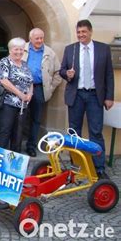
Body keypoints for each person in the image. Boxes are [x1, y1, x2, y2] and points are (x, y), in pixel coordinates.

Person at [60, 19, 114, 180]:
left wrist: (109, 97)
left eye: (83, 32)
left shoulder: (103, 49)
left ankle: (99, 168)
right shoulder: (70, 49)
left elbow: (109, 75)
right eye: (78, 32)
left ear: (90, 32)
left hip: (94, 95)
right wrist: (66, 74)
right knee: (74, 132)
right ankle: (75, 167)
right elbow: (62, 70)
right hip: (76, 95)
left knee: (96, 132)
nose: (80, 35)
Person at [22, 28, 62, 157]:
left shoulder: (49, 52)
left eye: (41, 38)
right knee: (20, 117)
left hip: (39, 88)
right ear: (30, 38)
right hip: (22, 88)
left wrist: (50, 88)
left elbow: (58, 73)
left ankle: (31, 146)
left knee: (36, 119)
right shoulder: (22, 48)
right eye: (37, 38)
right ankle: (16, 145)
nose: (39, 40)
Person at [0, 37, 33, 153]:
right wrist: (20, 94)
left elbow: (30, 81)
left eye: (21, 49)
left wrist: (30, 94)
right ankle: (0, 158)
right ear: (10, 50)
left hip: (23, 105)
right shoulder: (5, 62)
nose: (19, 52)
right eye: (16, 49)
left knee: (18, 134)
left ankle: (13, 161)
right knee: (5, 131)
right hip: (8, 103)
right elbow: (3, 80)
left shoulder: (24, 64)